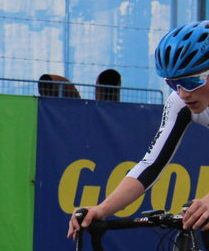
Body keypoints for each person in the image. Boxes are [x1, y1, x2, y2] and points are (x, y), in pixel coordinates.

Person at [69, 20, 209, 237]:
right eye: (173, 84)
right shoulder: (180, 102)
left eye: (191, 82)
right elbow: (151, 164)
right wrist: (103, 209)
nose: (183, 93)